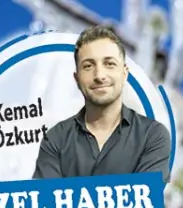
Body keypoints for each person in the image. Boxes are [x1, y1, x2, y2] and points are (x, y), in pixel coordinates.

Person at [32, 25, 171, 182]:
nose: (99, 75)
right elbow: (42, 200)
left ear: (125, 73)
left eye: (109, 64)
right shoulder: (55, 139)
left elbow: (146, 198)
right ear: (77, 79)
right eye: (88, 66)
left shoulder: (152, 136)